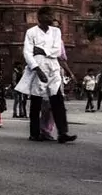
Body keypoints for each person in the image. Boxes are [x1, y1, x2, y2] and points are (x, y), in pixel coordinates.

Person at [19, 7, 76, 143]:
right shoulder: (31, 32)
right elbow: (28, 52)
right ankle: (34, 132)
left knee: (58, 101)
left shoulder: (56, 31)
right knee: (36, 102)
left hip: (53, 68)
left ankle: (62, 132)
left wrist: (42, 50)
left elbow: (57, 51)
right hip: (38, 67)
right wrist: (37, 69)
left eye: (52, 15)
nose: (50, 17)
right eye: (47, 15)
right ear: (40, 17)